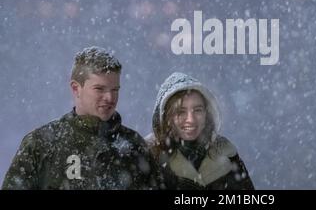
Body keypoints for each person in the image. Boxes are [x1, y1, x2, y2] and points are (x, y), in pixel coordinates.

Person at [2, 46, 160, 190]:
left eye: (115, 89)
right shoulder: (41, 144)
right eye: (99, 89)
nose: (110, 97)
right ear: (76, 88)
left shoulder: (134, 145)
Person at [146, 72, 254, 189]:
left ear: (207, 113)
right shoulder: (148, 156)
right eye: (181, 112)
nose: (191, 120)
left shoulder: (227, 153)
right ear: (167, 117)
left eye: (197, 110)